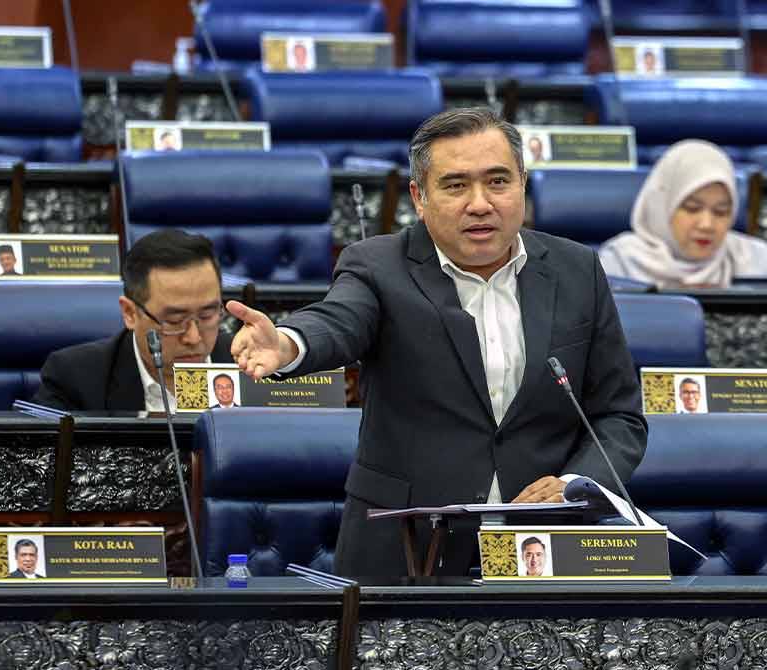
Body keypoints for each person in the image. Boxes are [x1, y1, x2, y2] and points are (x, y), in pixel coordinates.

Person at [226, 107, 647, 577]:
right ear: (419, 197)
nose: (481, 203)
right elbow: (340, 320)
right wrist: (288, 344)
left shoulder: (577, 270)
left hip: (545, 545)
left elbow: (618, 416)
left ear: (523, 185)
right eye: (455, 185)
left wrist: (575, 483)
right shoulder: (379, 266)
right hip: (406, 548)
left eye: (498, 181)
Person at [33, 230, 234, 412]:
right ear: (130, 313)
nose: (193, 337)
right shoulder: (75, 380)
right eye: (174, 320)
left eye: (207, 316)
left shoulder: (250, 366)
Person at [599, 140, 767, 288]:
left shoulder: (755, 260)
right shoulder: (618, 263)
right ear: (662, 208)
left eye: (721, 212)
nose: (707, 225)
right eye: (692, 208)